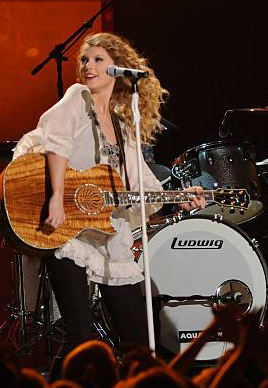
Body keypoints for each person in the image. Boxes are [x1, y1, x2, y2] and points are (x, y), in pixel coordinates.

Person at [12, 33, 205, 367]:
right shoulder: (78, 97)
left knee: (139, 337)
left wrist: (177, 199)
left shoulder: (122, 122)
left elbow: (139, 178)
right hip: (68, 228)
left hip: (107, 232)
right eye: (85, 59)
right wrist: (57, 198)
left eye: (98, 59)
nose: (88, 66)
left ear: (119, 68)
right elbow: (55, 141)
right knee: (80, 337)